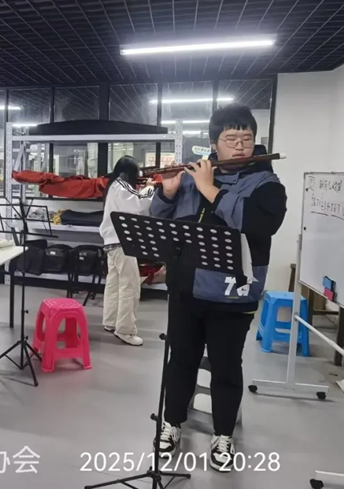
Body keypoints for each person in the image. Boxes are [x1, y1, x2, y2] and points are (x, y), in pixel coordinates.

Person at [149, 104, 287, 471]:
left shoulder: (267, 184)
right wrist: (167, 193)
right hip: (186, 289)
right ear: (214, 144)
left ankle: (223, 434)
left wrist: (210, 190)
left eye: (246, 139)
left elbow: (259, 225)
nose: (240, 146)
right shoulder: (193, 176)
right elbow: (160, 223)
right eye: (231, 139)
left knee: (226, 368)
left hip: (233, 294)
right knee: (181, 361)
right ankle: (172, 423)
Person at [99, 156, 154, 346]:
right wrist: (150, 188)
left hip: (112, 242)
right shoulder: (122, 185)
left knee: (114, 283)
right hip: (122, 243)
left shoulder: (113, 185)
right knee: (130, 286)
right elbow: (137, 203)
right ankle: (125, 330)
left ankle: (110, 321)